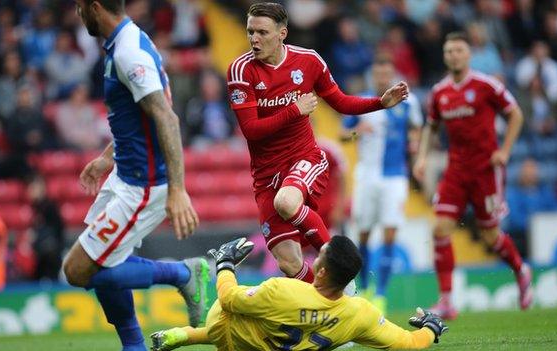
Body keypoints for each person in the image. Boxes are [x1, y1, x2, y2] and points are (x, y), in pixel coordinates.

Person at [226, 2, 408, 285]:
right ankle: (331, 299)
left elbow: (341, 101)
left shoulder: (308, 61)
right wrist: (293, 110)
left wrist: (379, 103)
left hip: (304, 158)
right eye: (251, 32)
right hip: (265, 174)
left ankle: (340, 273)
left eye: (262, 32)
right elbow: (251, 130)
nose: (254, 39)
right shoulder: (241, 70)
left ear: (282, 33)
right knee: (289, 262)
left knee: (286, 202)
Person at [62, 2, 207, 351]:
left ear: (94, 7)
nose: (78, 15)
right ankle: (133, 346)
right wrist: (106, 158)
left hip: (144, 186)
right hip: (125, 174)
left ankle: (185, 274)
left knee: (79, 270)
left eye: (81, 7)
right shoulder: (125, 42)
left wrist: (177, 190)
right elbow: (135, 118)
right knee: (110, 260)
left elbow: (167, 119)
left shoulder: (129, 53)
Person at [413, 32, 531, 320]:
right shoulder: (439, 92)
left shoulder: (486, 85)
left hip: (485, 171)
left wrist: (504, 151)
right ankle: (447, 301)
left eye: (459, 50)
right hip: (455, 171)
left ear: (469, 55)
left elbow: (516, 114)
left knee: (491, 236)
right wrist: (422, 157)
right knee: (440, 227)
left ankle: (520, 269)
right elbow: (431, 126)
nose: (453, 55)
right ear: (444, 55)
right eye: (449, 50)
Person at [150, 236, 448, 350]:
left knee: (232, 313)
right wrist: (431, 329)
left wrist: (225, 263)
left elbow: (228, 299)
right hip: (273, 342)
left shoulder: (284, 290)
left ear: (320, 272)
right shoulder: (361, 313)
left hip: (230, 333)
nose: (314, 256)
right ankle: (181, 336)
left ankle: (185, 334)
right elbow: (409, 344)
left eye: (319, 255)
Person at [341, 57, 422, 313]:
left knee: (389, 233)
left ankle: (381, 295)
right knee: (363, 233)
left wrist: (415, 144)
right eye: (378, 74)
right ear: (371, 76)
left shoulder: (409, 101)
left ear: (393, 74)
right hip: (366, 177)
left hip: (394, 177)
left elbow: (417, 128)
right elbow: (343, 135)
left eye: (386, 74)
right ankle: (364, 288)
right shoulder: (362, 102)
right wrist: (357, 132)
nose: (382, 79)